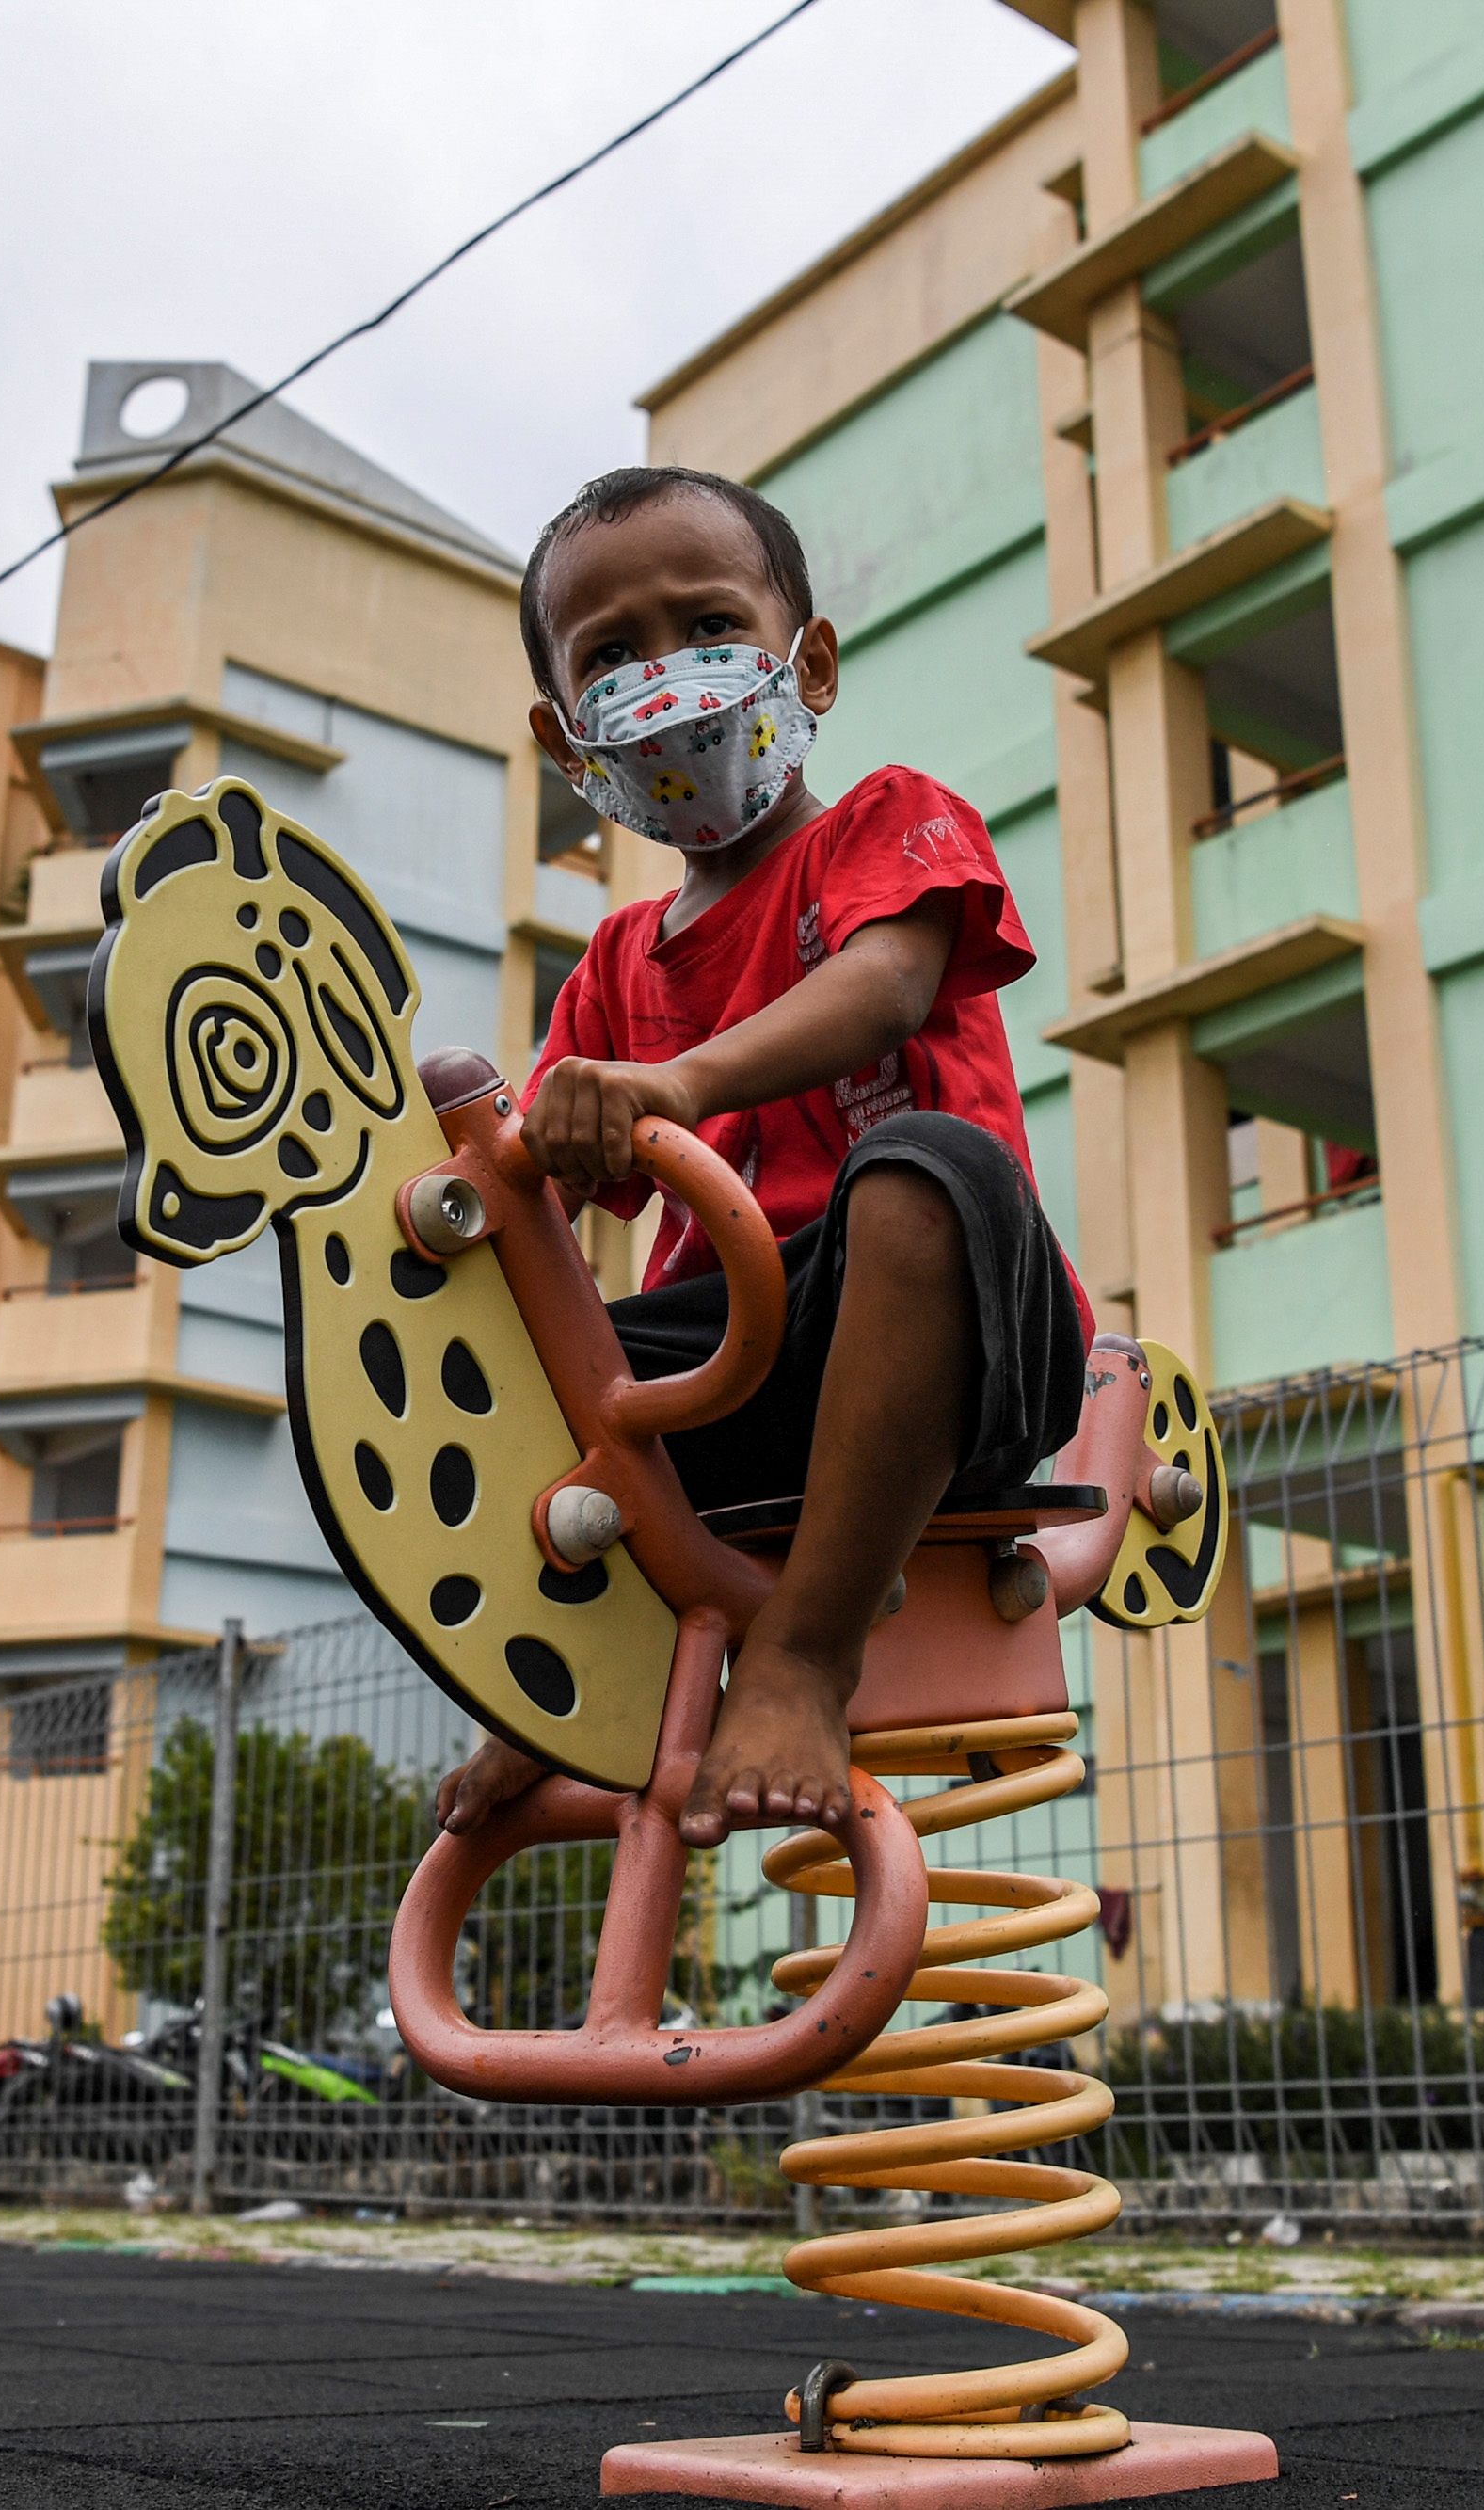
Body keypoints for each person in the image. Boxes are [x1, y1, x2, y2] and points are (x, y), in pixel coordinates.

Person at [434, 466, 1091, 1854]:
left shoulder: (887, 823)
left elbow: (887, 989)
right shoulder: (616, 963)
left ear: (812, 664)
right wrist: (480, 1176)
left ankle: (802, 1654)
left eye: (710, 625)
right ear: (566, 739)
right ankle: (564, 1660)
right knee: (503, 1353)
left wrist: (673, 1081)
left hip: (957, 1339)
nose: (666, 675)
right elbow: (532, 1194)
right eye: (612, 654)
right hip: (736, 1369)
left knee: (921, 1171)